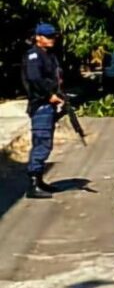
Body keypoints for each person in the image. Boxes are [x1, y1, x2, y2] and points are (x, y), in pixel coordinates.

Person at [21, 23, 64, 199]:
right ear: (38, 37)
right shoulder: (33, 55)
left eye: (53, 36)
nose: (52, 39)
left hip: (49, 104)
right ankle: (33, 184)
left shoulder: (49, 55)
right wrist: (49, 95)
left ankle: (39, 181)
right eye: (48, 36)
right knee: (42, 143)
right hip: (41, 104)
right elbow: (35, 79)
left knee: (46, 143)